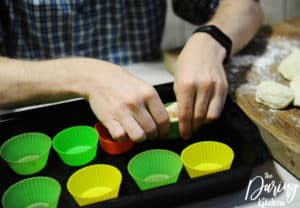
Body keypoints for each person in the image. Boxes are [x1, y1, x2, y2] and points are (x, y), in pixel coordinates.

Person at [0, 0, 263, 142]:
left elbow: (246, 6)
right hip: (35, 118)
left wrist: (211, 39)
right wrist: (84, 76)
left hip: (149, 107)